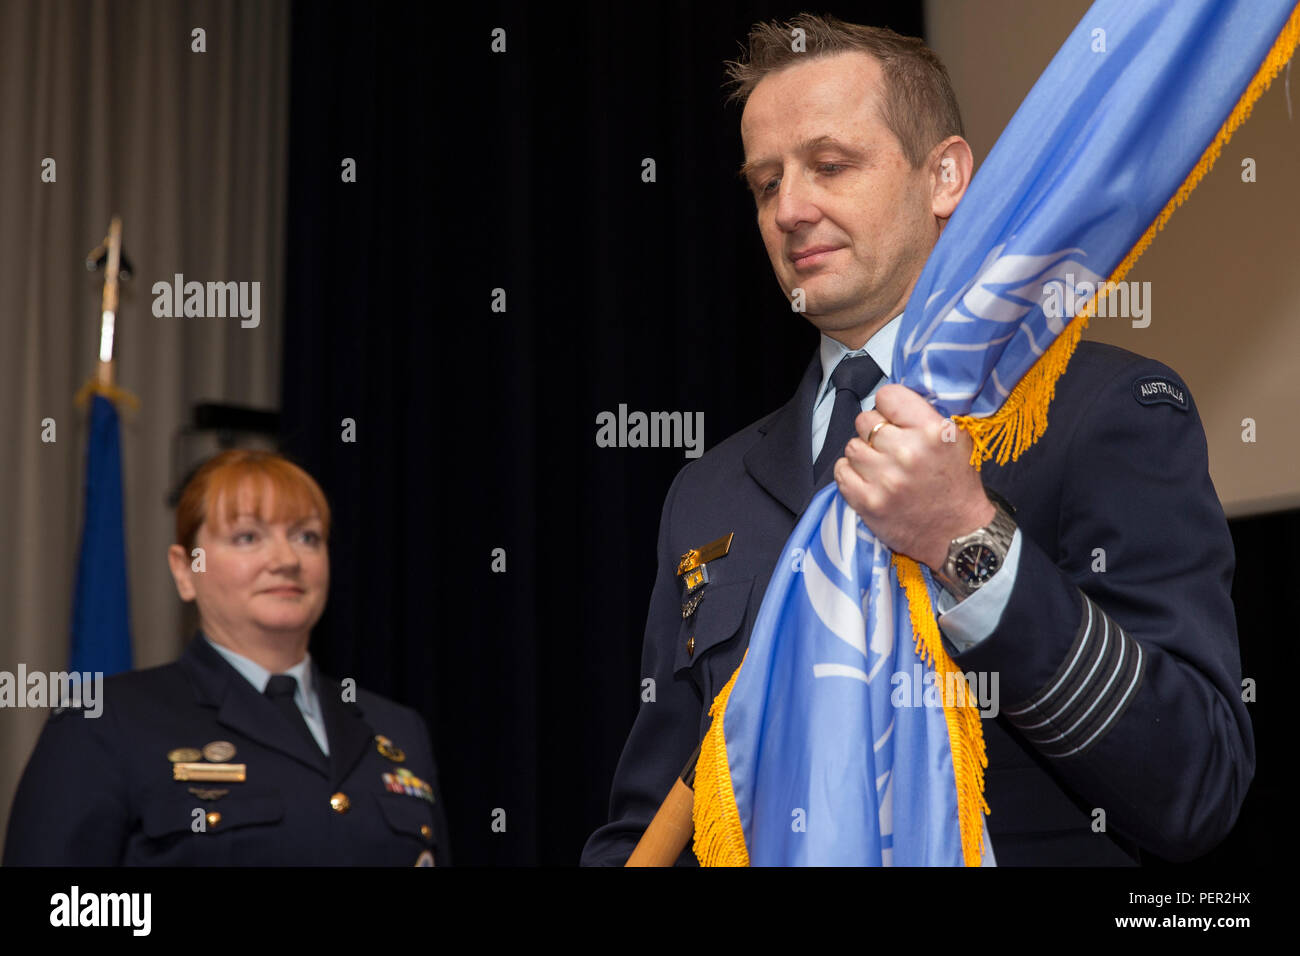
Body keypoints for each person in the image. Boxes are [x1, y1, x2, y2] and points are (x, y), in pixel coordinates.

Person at [582, 14, 1253, 866]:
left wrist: (968, 543)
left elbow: (1194, 782)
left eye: (830, 166)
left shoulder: (1102, 410)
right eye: (764, 183)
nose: (790, 210)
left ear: (944, 177)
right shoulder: (710, 492)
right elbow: (651, 827)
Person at [4, 449, 450, 866]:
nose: (286, 559)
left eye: (307, 536)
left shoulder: (395, 729)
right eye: (248, 537)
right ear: (185, 571)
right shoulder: (103, 721)